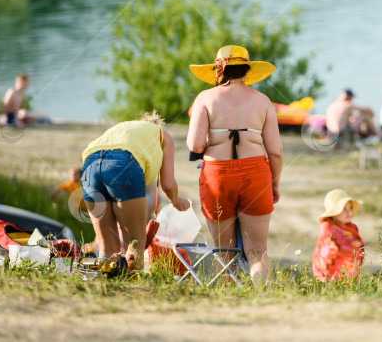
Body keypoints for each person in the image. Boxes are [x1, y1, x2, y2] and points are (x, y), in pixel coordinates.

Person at [186, 45, 283, 286]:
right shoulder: (262, 101)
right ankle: (262, 297)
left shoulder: (205, 98)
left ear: (219, 71)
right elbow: (276, 151)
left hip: (217, 174)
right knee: (258, 251)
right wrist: (274, 182)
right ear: (247, 71)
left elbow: (195, 145)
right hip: (256, 174)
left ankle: (228, 296)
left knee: (224, 251)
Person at [81, 111, 189, 270]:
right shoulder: (162, 135)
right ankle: (133, 289)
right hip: (123, 164)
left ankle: (105, 288)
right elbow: (168, 185)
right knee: (135, 246)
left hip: (89, 167)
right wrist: (176, 200)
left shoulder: (124, 129)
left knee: (107, 249)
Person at [312, 189, 365, 282]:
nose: (348, 212)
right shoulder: (327, 226)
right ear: (334, 211)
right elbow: (335, 247)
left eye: (350, 208)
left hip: (349, 273)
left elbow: (358, 246)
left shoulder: (352, 227)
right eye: (343, 209)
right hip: (329, 272)